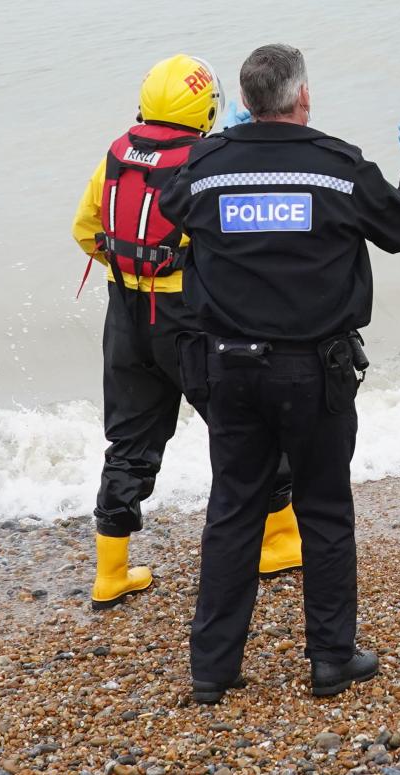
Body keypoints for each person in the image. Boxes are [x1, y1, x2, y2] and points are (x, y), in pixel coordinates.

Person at [157, 45, 400, 703]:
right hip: (314, 372)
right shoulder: (338, 169)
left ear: (247, 103)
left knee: (233, 511)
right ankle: (330, 659)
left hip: (227, 369)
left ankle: (213, 670)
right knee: (322, 507)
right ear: (303, 97)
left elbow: (174, 209)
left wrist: (225, 144)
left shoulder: (207, 167)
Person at [73, 56, 301, 607]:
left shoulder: (117, 155)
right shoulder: (205, 161)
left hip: (124, 314)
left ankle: (111, 570)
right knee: (247, 426)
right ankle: (281, 541)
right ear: (207, 107)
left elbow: (85, 231)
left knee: (128, 440)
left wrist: (126, 267)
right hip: (188, 322)